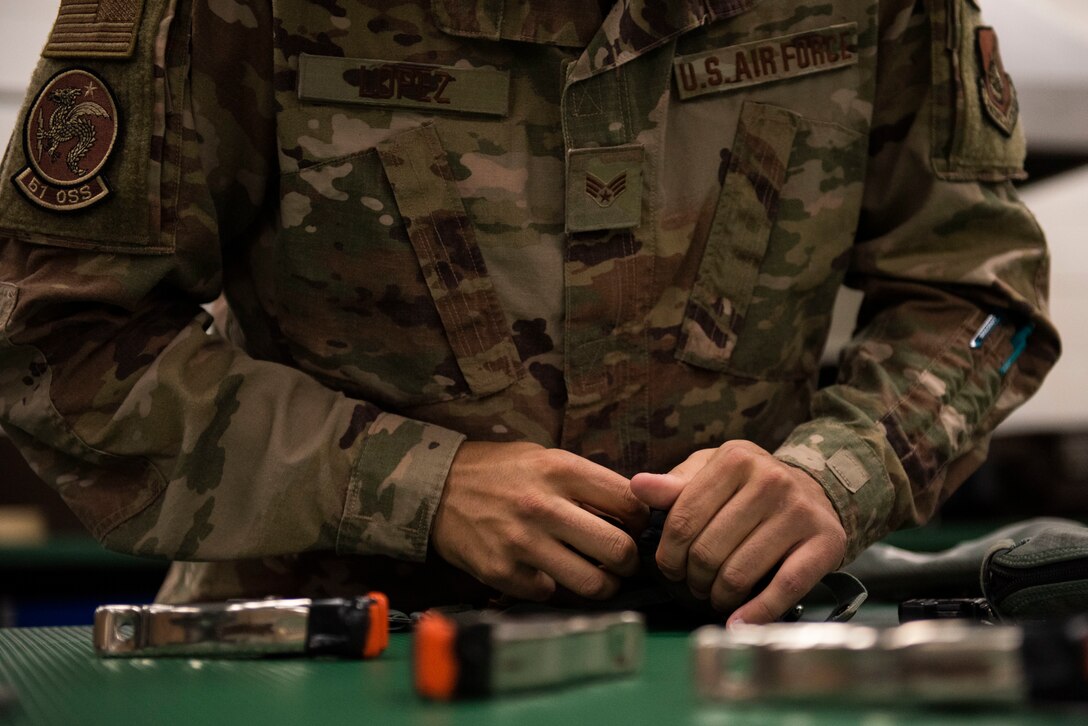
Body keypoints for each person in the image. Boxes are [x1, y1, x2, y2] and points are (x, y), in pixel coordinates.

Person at [0, 0, 1058, 625]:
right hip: (323, 648)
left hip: (730, 649)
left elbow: (980, 301)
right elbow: (58, 340)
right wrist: (418, 485)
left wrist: (839, 470)